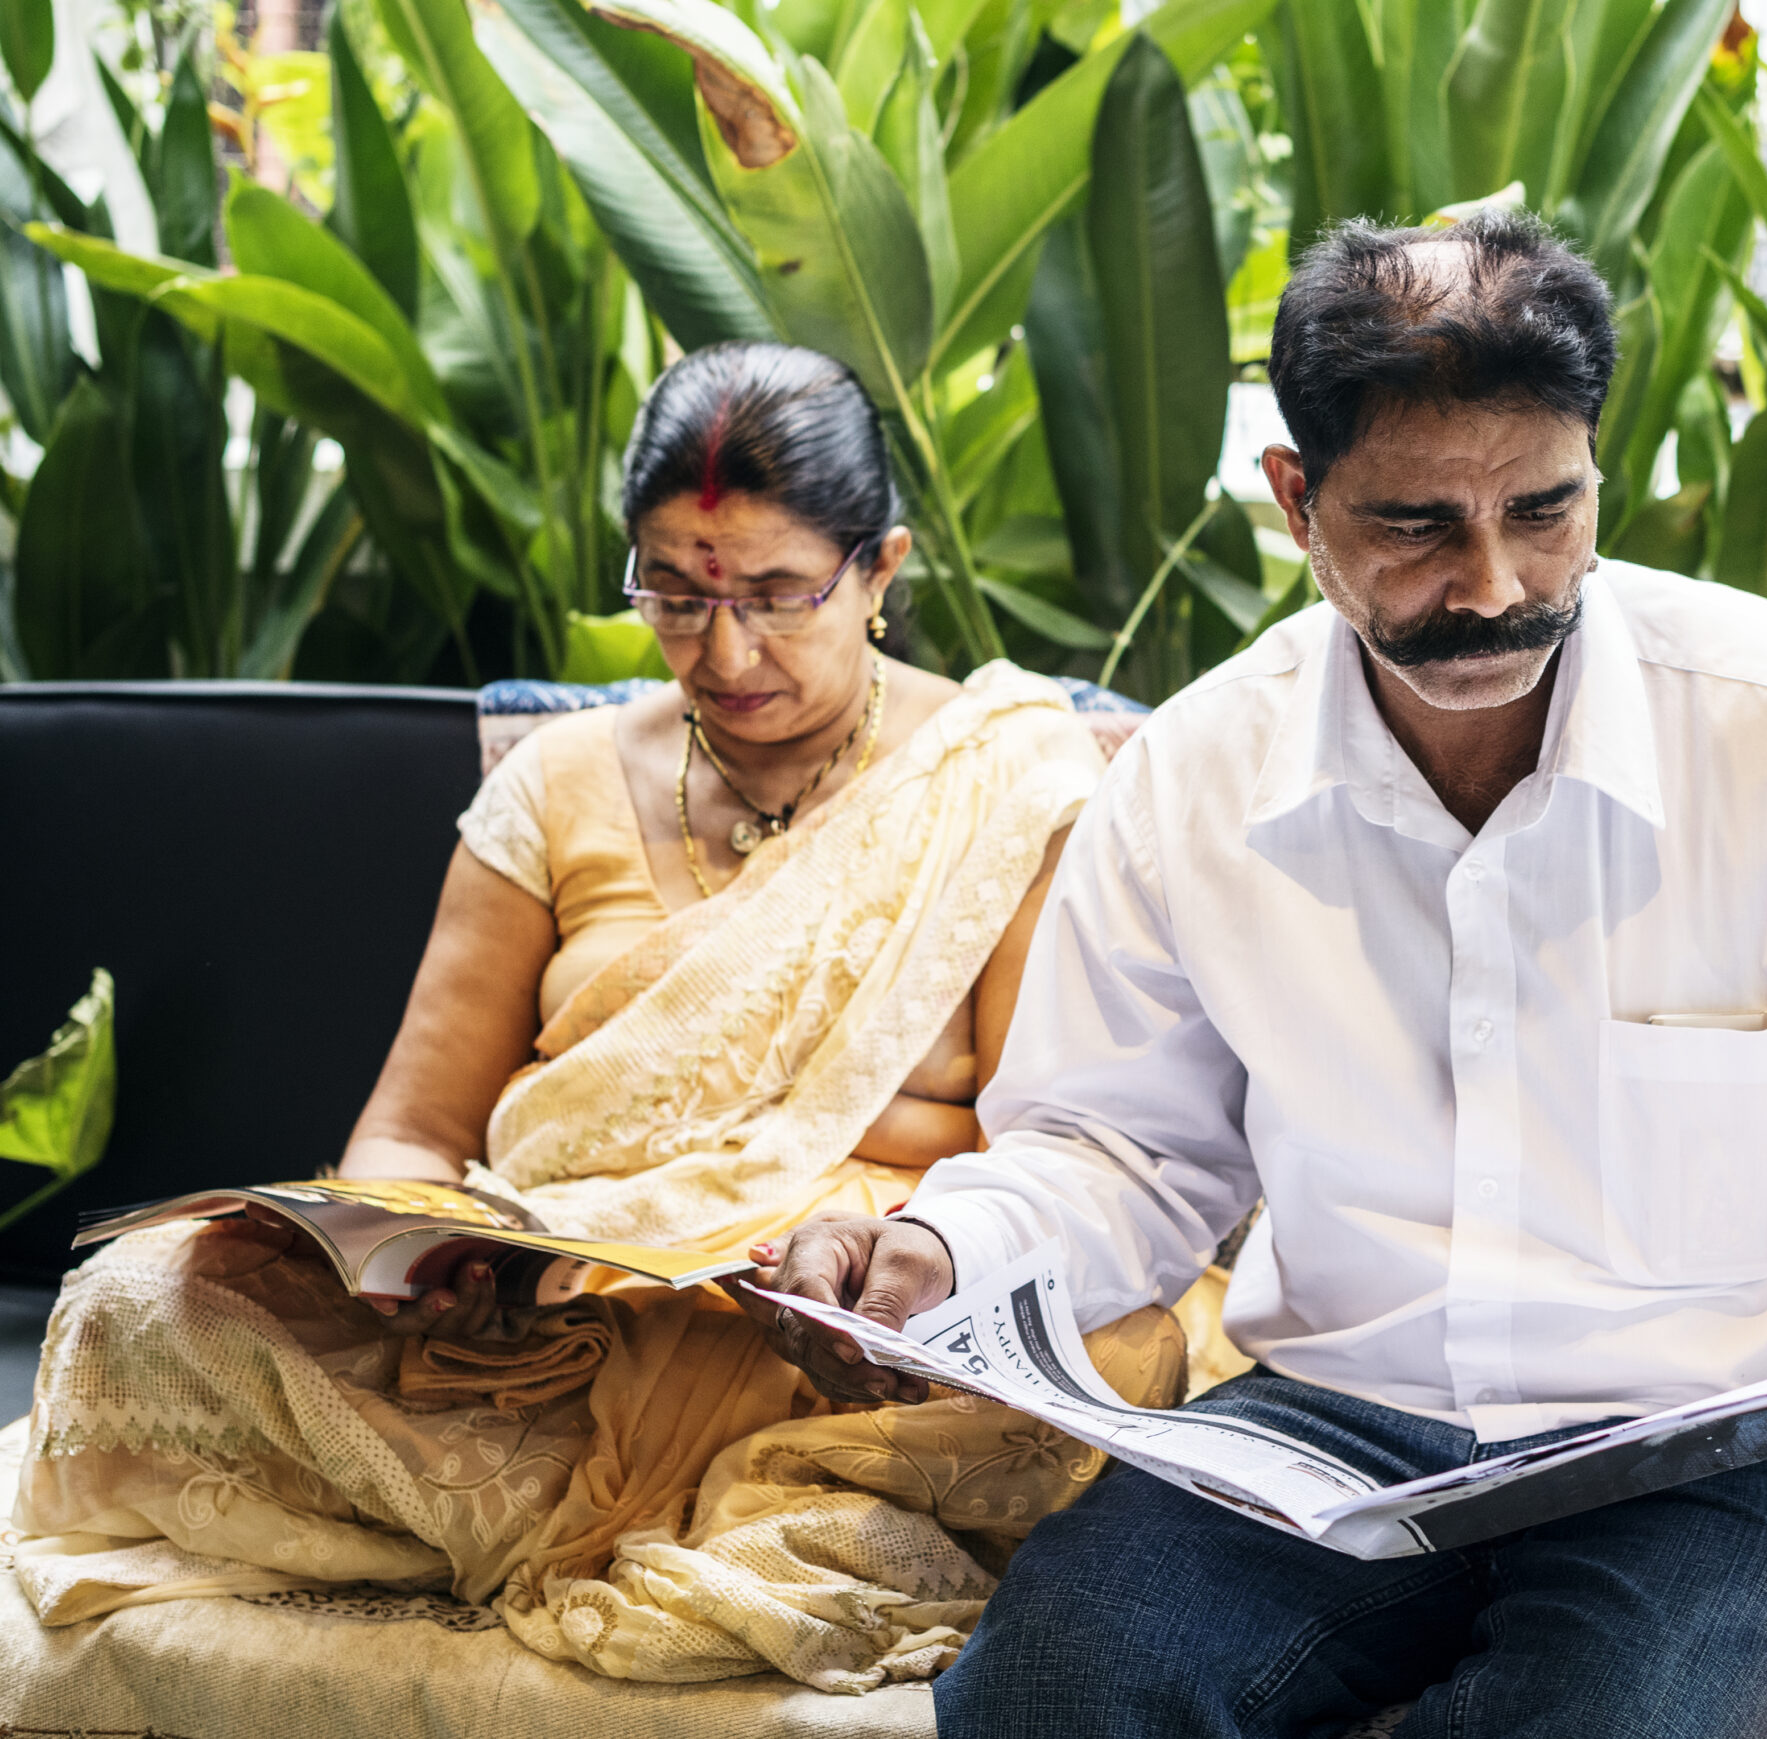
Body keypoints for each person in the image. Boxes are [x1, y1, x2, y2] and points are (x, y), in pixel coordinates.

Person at [746, 214, 1767, 1736]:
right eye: (1415, 526)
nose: (1492, 582)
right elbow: (1117, 1152)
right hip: (1333, 1440)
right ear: (1296, 500)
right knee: (1054, 1688)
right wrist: (942, 1254)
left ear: (1597, 467)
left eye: (1545, 508)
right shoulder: (1195, 777)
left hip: (1731, 1454)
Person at [12, 341, 1187, 1690]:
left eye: (777, 593)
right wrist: (410, 1249)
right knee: (138, 1305)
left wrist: (883, 1252)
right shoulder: (557, 783)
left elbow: (1054, 1149)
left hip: (846, 1324)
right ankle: (680, 1498)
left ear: (881, 570)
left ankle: (604, 1501)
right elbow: (410, 1128)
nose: (724, 649)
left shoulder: (1008, 783)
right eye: (675, 596)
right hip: (563, 1314)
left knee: (1114, 1361)